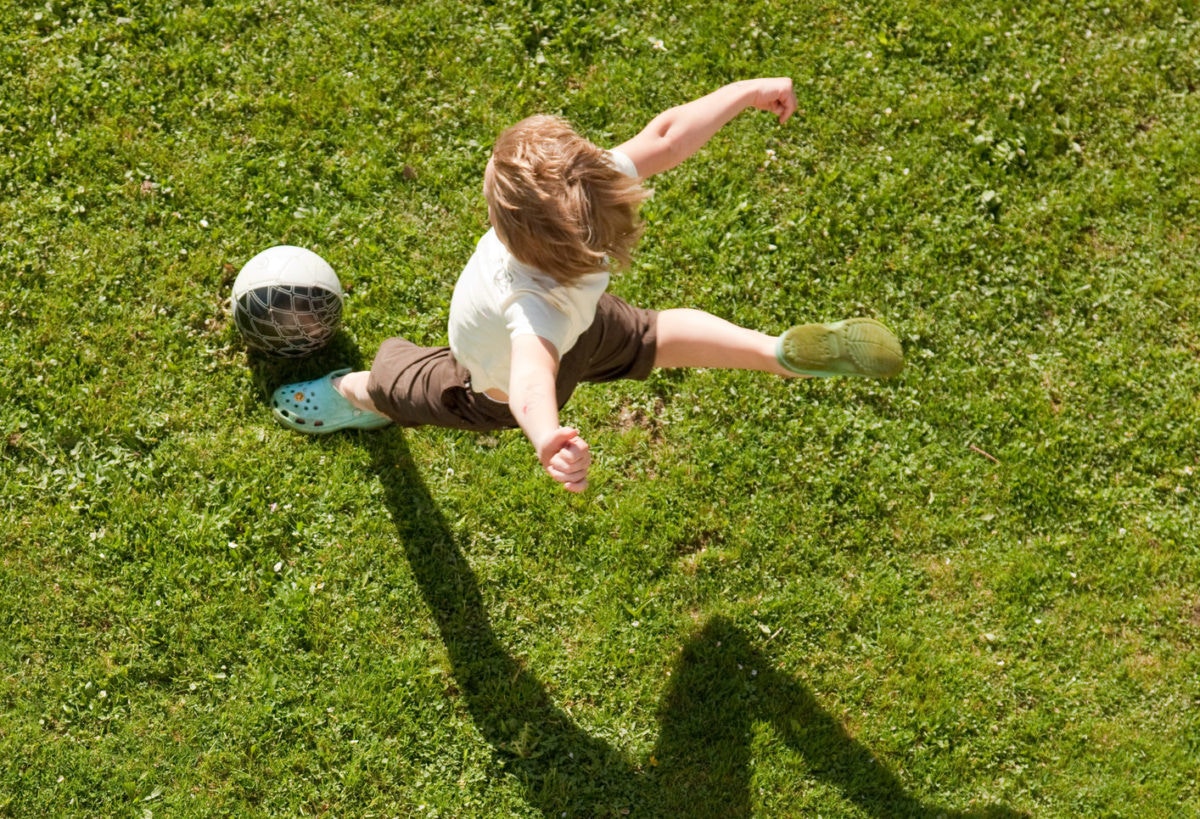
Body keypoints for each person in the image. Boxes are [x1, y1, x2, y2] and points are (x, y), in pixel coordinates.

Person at [272, 78, 903, 493]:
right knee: (653, 335)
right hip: (589, 327)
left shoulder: (531, 307)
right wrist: (746, 92)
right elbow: (667, 137)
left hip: (489, 381)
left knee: (409, 385)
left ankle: (356, 393)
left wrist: (546, 436)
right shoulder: (593, 190)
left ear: (514, 230)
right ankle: (773, 352)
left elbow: (529, 379)